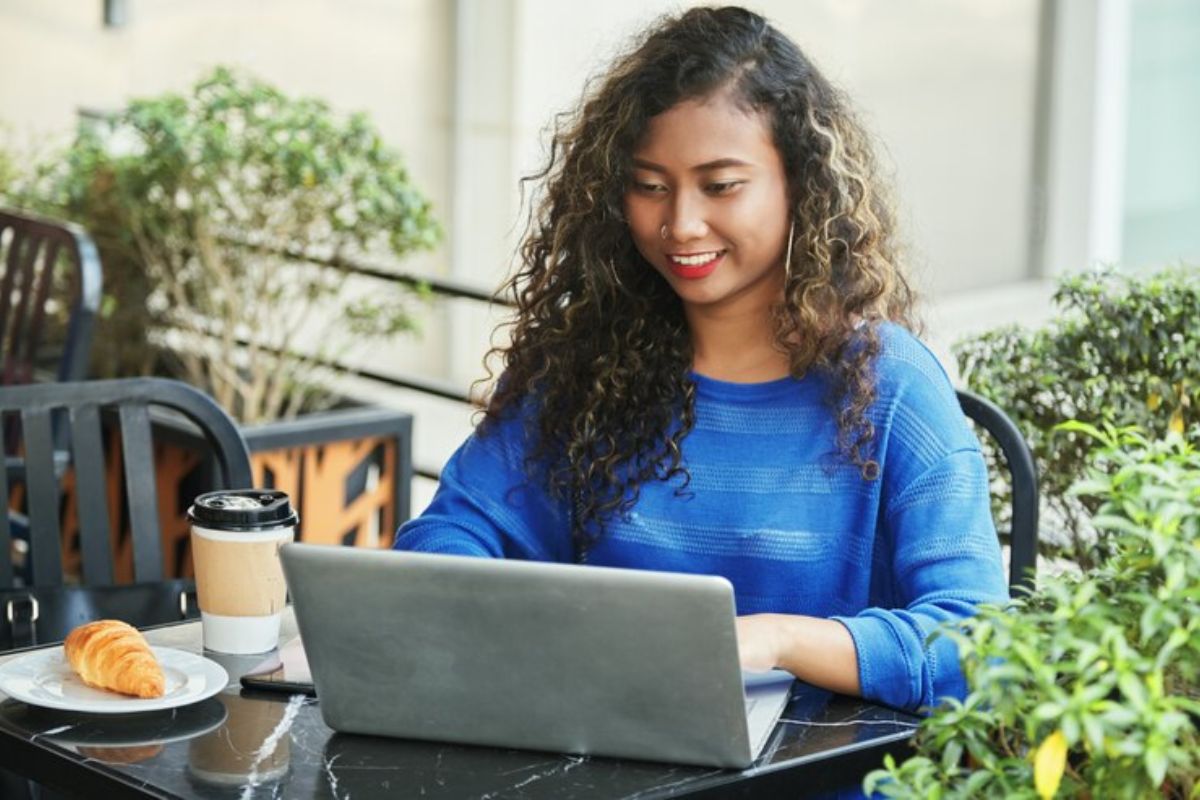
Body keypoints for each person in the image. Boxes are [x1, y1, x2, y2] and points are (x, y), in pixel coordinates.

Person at [394, 5, 1008, 714]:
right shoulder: (585, 362)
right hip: (609, 760)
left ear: (801, 186)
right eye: (650, 185)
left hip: (814, 777)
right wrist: (492, 609)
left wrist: (775, 640)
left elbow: (978, 641)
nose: (679, 223)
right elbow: (451, 532)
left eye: (721, 186)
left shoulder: (889, 384)